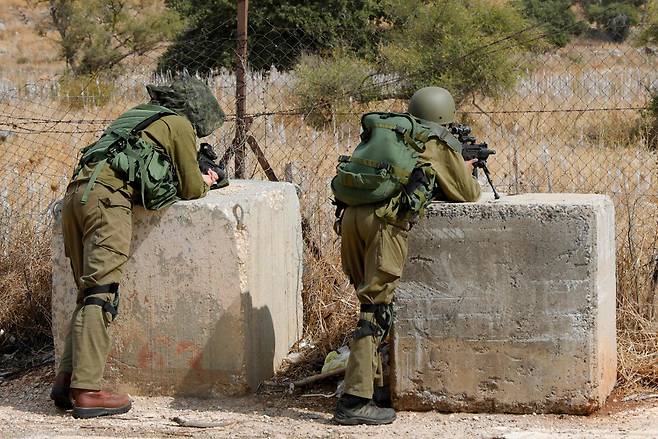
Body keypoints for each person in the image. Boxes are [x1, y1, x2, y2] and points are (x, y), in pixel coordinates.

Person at [50, 76, 225, 419]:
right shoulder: (179, 124)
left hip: (76, 195)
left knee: (88, 292)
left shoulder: (139, 115)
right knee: (101, 293)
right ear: (195, 109)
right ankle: (87, 391)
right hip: (107, 200)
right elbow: (190, 187)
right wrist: (207, 180)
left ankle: (67, 379)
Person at [332, 86, 481, 425]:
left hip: (352, 217)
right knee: (376, 309)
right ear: (445, 115)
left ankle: (375, 386)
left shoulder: (393, 132)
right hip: (384, 221)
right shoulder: (434, 140)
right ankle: (354, 402)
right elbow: (467, 193)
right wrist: (466, 168)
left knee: (371, 307)